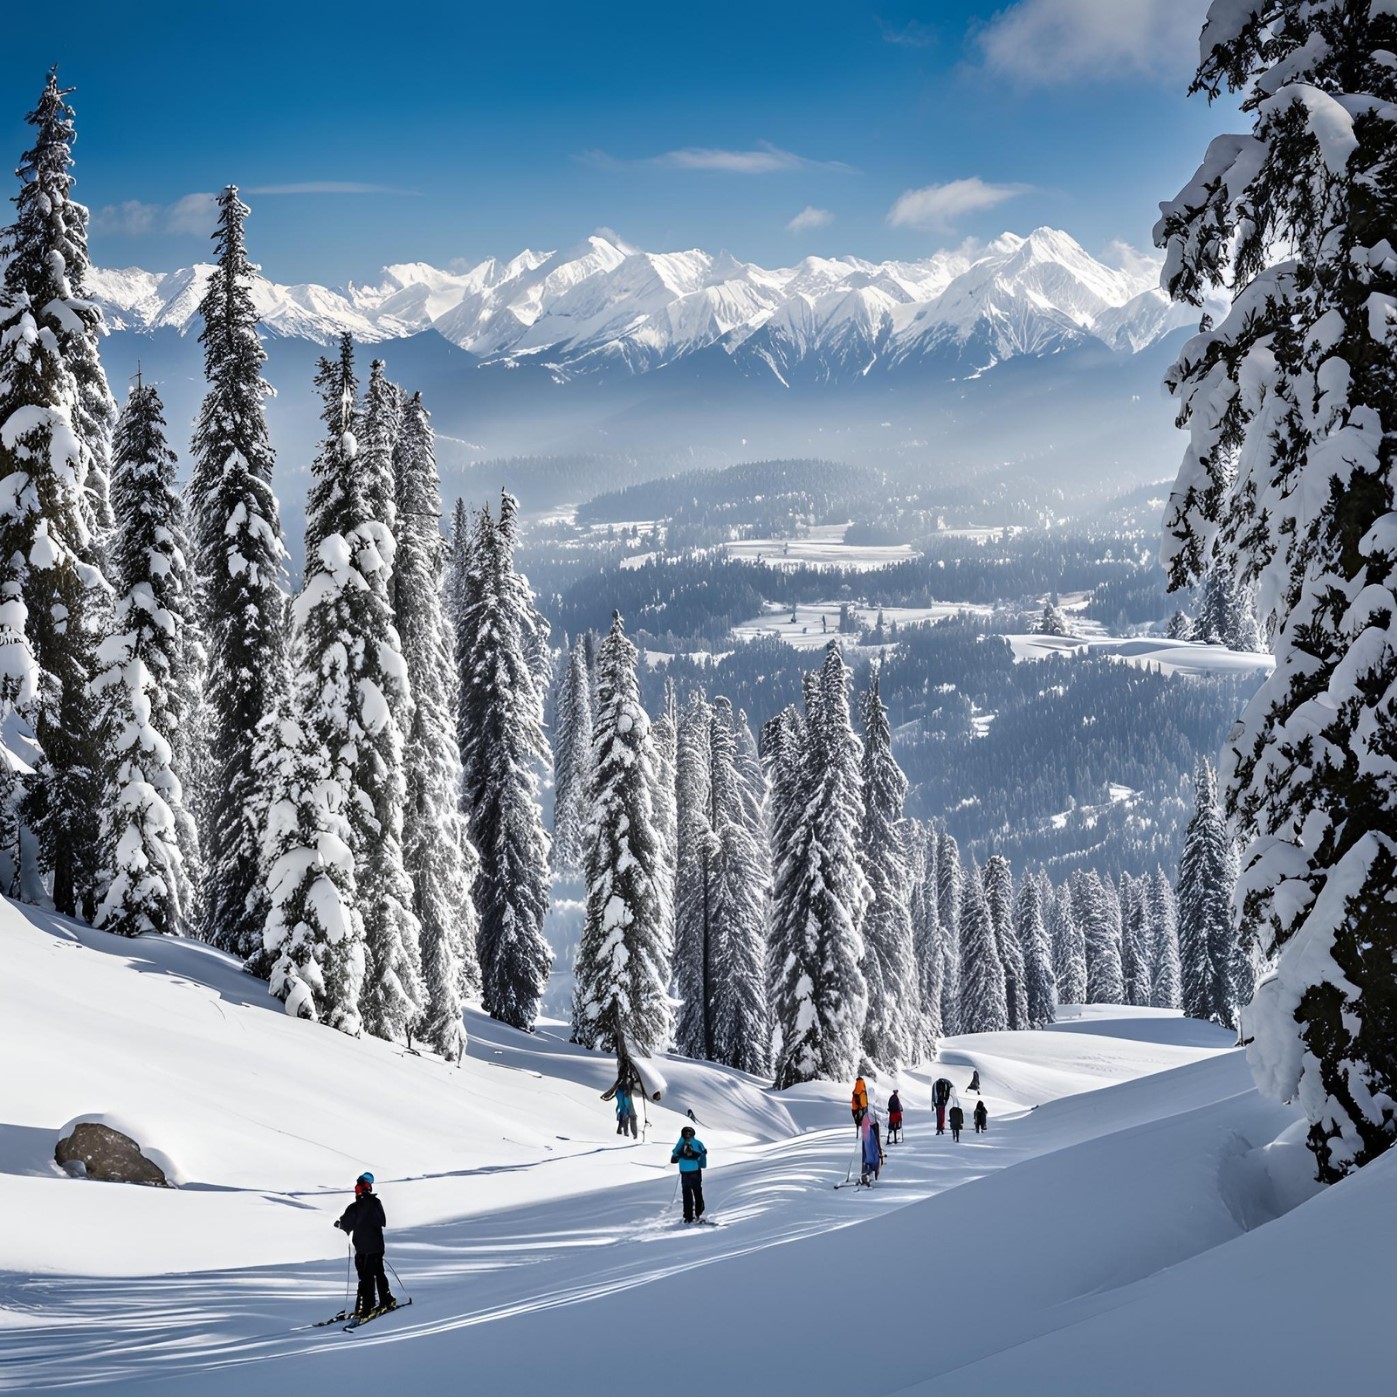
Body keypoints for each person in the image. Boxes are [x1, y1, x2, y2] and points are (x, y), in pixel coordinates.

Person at [335, 1172, 395, 1320]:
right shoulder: (376, 1203)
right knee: (379, 1273)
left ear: (359, 1189)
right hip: (378, 1247)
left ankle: (366, 1308)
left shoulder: (355, 1207)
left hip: (364, 1249)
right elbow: (382, 1221)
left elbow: (346, 1223)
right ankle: (386, 1300)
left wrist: (340, 1224)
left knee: (365, 1278)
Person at [670, 1124, 708, 1222]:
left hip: (684, 1172)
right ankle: (699, 1213)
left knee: (686, 1194)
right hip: (695, 1171)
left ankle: (688, 1216)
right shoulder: (698, 1143)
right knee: (697, 1191)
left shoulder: (680, 1144)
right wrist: (702, 1165)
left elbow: (674, 1157)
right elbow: (703, 1155)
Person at [860, 1112, 884, 1185]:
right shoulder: (873, 1125)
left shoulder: (867, 1119)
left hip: (867, 1129)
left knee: (868, 1153)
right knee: (872, 1156)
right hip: (869, 1129)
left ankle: (866, 1174)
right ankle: (869, 1174)